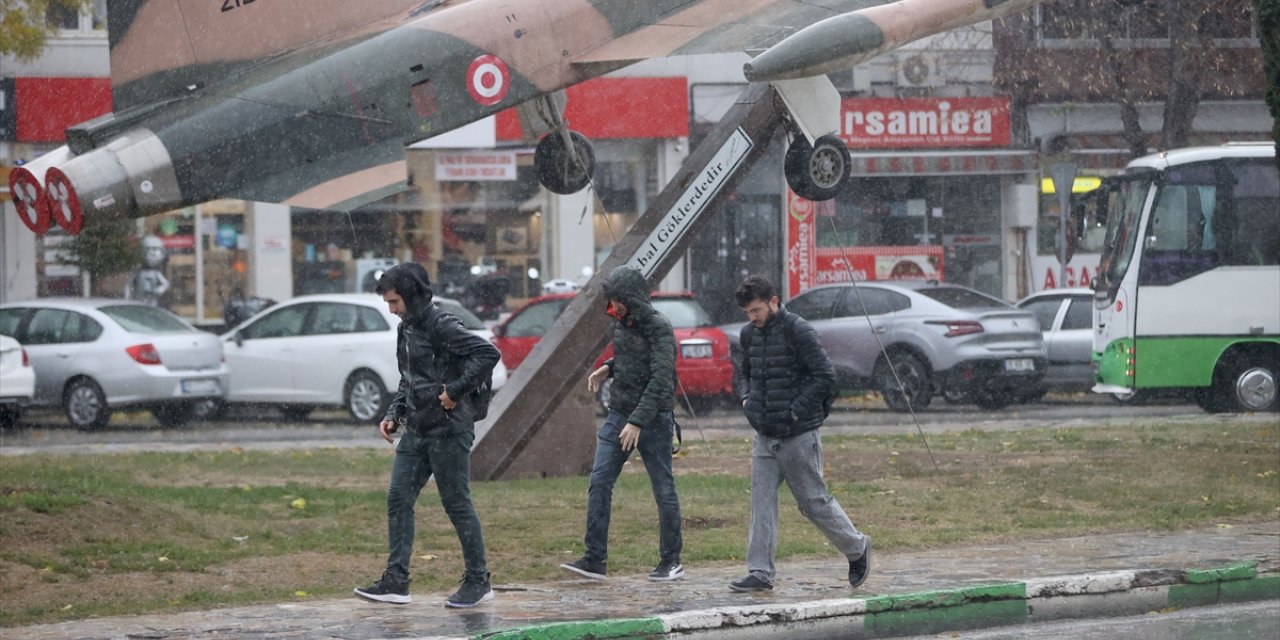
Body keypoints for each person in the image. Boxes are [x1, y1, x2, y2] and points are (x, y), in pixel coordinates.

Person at [354, 262, 500, 608]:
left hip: (449, 430)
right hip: (417, 430)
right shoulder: (406, 329)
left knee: (457, 504)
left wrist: (455, 391)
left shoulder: (442, 325)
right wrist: (394, 414)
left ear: (413, 296)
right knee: (398, 497)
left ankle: (479, 581)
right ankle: (396, 581)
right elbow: (410, 377)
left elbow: (487, 353)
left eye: (395, 302)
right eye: (388, 303)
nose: (391, 310)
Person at [729, 275, 870, 592]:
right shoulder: (749, 335)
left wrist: (795, 410)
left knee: (813, 503)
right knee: (761, 501)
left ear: (774, 301)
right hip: (764, 434)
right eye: (748, 312)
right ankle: (760, 572)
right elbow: (744, 374)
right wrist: (746, 400)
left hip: (799, 434)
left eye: (756, 310)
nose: (752, 318)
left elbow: (825, 377)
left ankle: (857, 547)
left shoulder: (799, 330)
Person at [560, 265, 684, 582]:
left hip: (652, 420)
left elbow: (660, 381)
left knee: (663, 489)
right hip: (619, 415)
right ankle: (594, 559)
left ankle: (671, 560)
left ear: (630, 298)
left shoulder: (658, 327)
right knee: (600, 480)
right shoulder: (624, 324)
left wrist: (637, 422)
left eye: (616, 300)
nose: (612, 307)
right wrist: (609, 368)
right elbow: (634, 360)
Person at [124, 235, 170, 307]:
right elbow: (128, 284)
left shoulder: (156, 273)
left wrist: (159, 290)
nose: (153, 254)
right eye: (151, 250)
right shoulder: (138, 271)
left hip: (152, 301)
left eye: (156, 250)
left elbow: (165, 284)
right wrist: (127, 299)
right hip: (139, 300)